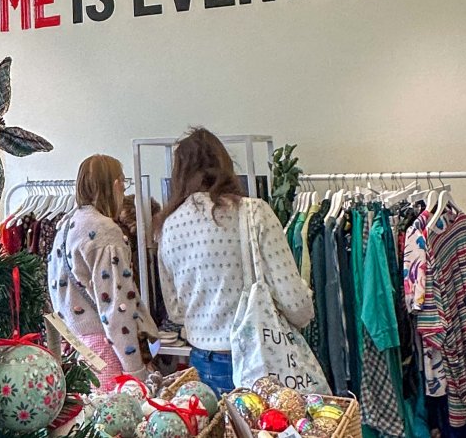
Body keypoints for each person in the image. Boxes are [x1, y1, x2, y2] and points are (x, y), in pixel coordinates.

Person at [157, 128, 313, 392]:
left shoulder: (168, 227)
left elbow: (176, 310)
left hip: (202, 362)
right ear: (224, 165)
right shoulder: (254, 213)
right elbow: (296, 303)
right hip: (259, 360)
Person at [48, 155, 158, 388]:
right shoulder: (105, 230)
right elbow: (117, 305)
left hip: (78, 349)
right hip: (109, 352)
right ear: (117, 185)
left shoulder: (66, 225)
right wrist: (135, 372)